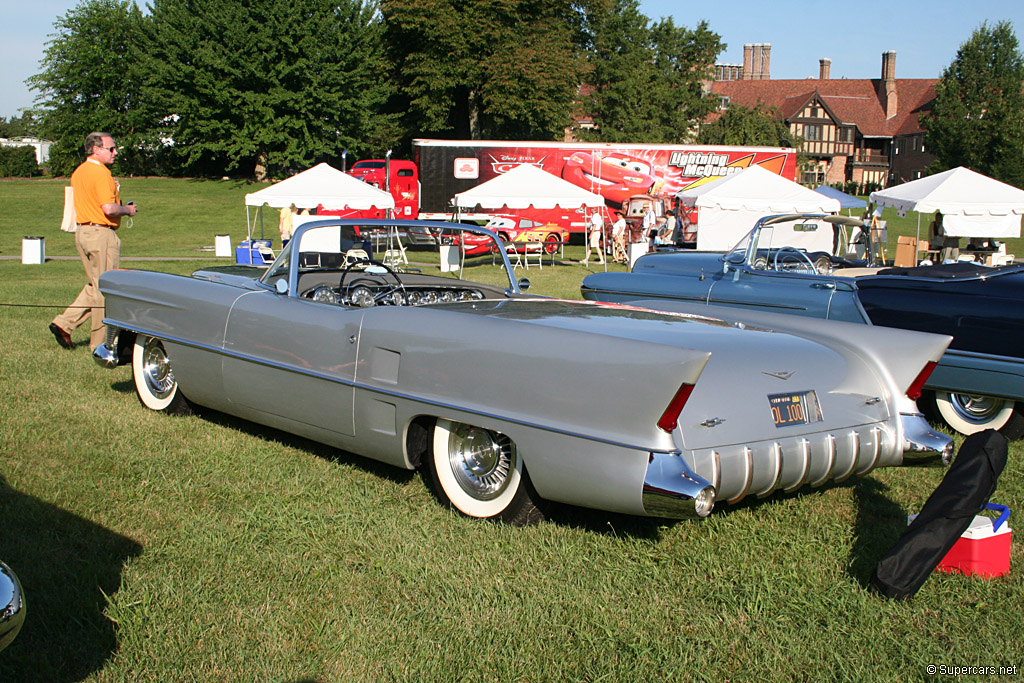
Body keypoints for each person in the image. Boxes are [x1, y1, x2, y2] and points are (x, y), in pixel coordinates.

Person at [49, 132, 137, 351]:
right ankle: (100, 343)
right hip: (100, 234)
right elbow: (108, 209)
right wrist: (128, 210)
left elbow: (92, 198)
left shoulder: (79, 172)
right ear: (96, 149)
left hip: (83, 232)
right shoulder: (100, 173)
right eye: (111, 149)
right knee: (105, 288)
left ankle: (64, 323)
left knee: (96, 284)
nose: (115, 153)